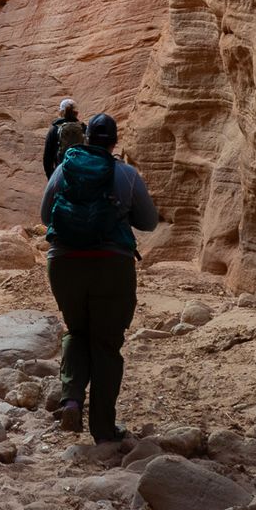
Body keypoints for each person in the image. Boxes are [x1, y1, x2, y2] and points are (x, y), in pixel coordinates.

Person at [40, 112, 159, 444]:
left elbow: (44, 213)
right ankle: (104, 429)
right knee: (106, 344)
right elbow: (148, 222)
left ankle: (72, 398)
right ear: (115, 141)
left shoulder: (65, 169)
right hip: (112, 264)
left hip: (64, 262)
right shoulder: (126, 174)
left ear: (86, 138)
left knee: (77, 331)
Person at [42, 98, 86, 177]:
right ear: (77, 113)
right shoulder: (84, 128)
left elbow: (47, 159)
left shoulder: (55, 130)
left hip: (61, 175)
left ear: (61, 112)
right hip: (80, 174)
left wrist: (51, 178)